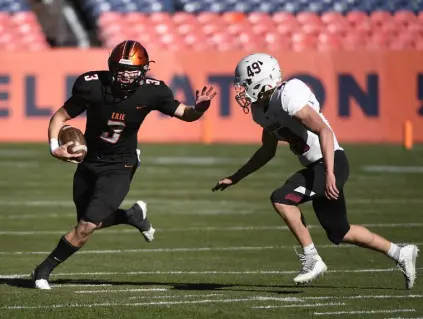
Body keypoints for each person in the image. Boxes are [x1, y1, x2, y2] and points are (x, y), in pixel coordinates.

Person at [212, 53, 418, 289]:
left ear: (261, 81)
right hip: (318, 166)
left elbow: (325, 131)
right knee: (340, 232)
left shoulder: (288, 94)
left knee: (281, 198)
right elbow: (267, 151)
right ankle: (400, 252)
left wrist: (330, 173)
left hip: (331, 162)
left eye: (245, 84)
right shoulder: (261, 111)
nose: (241, 91)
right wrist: (236, 177)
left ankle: (312, 258)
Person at [32, 40, 217, 290]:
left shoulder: (153, 91)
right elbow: (61, 116)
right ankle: (131, 216)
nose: (128, 75)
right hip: (89, 160)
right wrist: (54, 147)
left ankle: (43, 271)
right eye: (122, 69)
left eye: (133, 70)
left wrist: (199, 109)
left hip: (120, 165)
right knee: (88, 220)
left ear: (143, 71)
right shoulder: (92, 85)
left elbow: (186, 114)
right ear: (112, 67)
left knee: (86, 227)